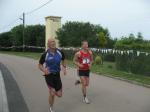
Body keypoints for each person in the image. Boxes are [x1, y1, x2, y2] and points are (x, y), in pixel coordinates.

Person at [38, 38, 66, 112]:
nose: (53, 43)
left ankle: (52, 92)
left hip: (57, 75)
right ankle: (51, 108)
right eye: (51, 42)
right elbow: (40, 65)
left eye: (54, 42)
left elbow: (64, 59)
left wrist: (64, 67)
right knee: (52, 93)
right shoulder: (45, 54)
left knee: (59, 95)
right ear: (48, 44)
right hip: (49, 75)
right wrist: (44, 70)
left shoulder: (60, 52)